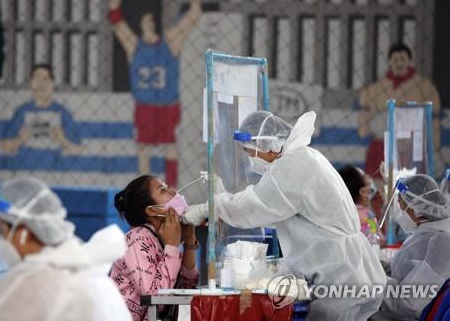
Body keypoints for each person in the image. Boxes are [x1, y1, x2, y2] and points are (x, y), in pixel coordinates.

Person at [184, 111, 386, 320]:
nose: (250, 158)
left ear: (269, 145)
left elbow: (254, 207)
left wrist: (208, 207)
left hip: (342, 276)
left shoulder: (294, 166)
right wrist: (221, 200)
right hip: (349, 270)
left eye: (250, 151)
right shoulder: (304, 157)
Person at [0, 177, 131, 321]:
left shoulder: (31, 284)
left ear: (23, 233)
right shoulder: (89, 274)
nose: (2, 240)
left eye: (2, 231)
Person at [108, 0, 201, 186]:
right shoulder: (135, 45)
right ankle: (145, 191)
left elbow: (194, 12)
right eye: (145, 20)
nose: (148, 23)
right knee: (143, 149)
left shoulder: (170, 41)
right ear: (140, 24)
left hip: (168, 105)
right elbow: (114, 15)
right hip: (145, 106)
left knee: (170, 148)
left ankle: (173, 190)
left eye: (151, 20)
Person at [110, 175, 199, 321]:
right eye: (162, 190)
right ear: (151, 211)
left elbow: (187, 286)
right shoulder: (137, 240)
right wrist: (172, 246)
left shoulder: (162, 238)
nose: (173, 191)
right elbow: (155, 294)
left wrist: (189, 244)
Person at [358, 43, 441, 180]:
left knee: (409, 184)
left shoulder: (425, 87)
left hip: (410, 144)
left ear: (409, 61)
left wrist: (435, 145)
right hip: (382, 142)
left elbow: (434, 118)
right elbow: (364, 120)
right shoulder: (375, 89)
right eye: (395, 59)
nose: (399, 63)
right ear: (389, 62)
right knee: (379, 184)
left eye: (403, 59)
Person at [377, 174, 450, 320]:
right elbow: (405, 267)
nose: (401, 213)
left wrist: (372, 282)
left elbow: (410, 302)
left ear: (417, 207)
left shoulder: (441, 242)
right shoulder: (425, 232)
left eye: (402, 205)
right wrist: (375, 265)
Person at [2, 64, 82, 155]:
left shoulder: (62, 112)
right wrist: (19, 140)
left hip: (53, 167)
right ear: (31, 83)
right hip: (25, 167)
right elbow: (5, 147)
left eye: (45, 79)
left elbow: (77, 149)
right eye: (37, 79)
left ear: (53, 83)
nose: (41, 84)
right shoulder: (22, 111)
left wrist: (62, 140)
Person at [338, 164, 386, 245]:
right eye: (366, 176)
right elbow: (378, 241)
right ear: (363, 192)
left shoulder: (343, 213)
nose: (370, 177)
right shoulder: (368, 216)